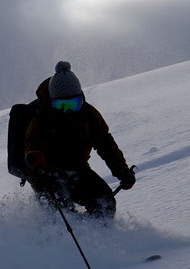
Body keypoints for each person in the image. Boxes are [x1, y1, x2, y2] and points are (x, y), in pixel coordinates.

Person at [22, 61, 136, 219]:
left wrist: (122, 172)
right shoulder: (41, 120)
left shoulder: (88, 114)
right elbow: (32, 147)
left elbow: (105, 143)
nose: (67, 110)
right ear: (52, 101)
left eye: (73, 104)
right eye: (62, 104)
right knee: (61, 213)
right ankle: (57, 240)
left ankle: (101, 236)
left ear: (80, 99)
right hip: (47, 175)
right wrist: (34, 158)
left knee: (104, 201)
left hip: (78, 169)